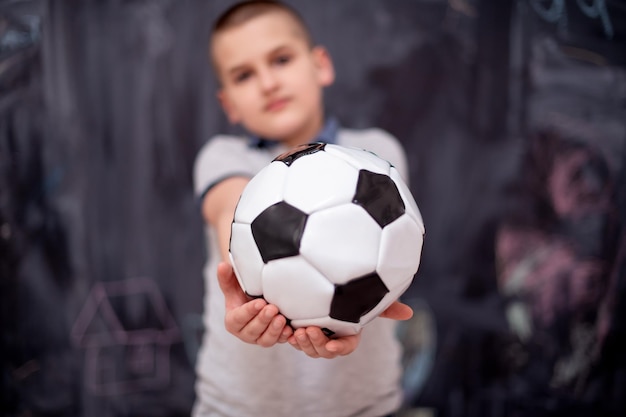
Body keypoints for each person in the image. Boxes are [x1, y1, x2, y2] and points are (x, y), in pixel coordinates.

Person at [192, 1, 415, 416]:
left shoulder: (376, 156)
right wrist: (244, 289)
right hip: (236, 407)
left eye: (281, 59)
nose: (267, 83)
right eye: (244, 75)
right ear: (230, 105)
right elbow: (230, 208)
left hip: (363, 405)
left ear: (321, 65)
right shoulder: (222, 158)